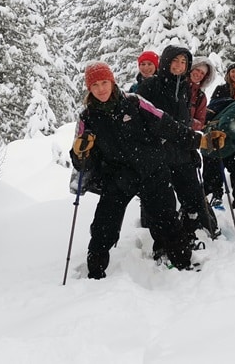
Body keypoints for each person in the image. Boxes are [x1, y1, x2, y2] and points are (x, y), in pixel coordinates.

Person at [71, 62, 224, 278]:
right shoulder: (87, 117)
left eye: (104, 82)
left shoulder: (134, 103)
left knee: (167, 220)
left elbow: (170, 127)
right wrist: (80, 153)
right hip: (118, 177)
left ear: (112, 81)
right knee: (103, 226)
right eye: (94, 85)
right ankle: (95, 272)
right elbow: (81, 161)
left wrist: (201, 141)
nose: (101, 89)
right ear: (89, 88)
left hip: (152, 170)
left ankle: (183, 263)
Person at [137, 46, 218, 245]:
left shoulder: (183, 89)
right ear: (166, 62)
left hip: (181, 154)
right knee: (163, 206)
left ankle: (190, 235)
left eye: (183, 62)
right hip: (158, 156)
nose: (179, 66)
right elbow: (145, 122)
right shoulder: (150, 86)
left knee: (192, 198)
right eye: (175, 61)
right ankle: (164, 246)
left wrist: (191, 150)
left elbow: (184, 122)